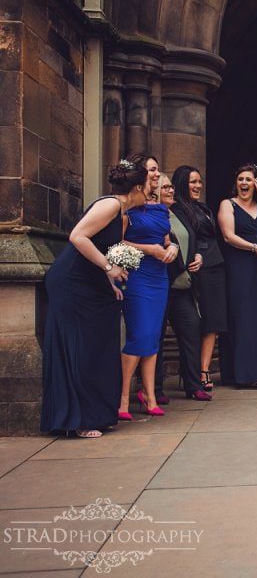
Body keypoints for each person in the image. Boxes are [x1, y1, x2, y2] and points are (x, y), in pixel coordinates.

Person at [40, 160, 146, 438]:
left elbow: (97, 245)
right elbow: (78, 237)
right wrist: (109, 267)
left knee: (96, 343)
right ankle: (78, 419)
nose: (151, 191)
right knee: (80, 347)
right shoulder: (110, 204)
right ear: (137, 187)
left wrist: (107, 282)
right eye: (149, 186)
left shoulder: (121, 212)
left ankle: (95, 413)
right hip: (70, 282)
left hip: (87, 282)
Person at [119, 153, 174, 418]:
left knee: (152, 337)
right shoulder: (126, 207)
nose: (156, 173)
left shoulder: (162, 208)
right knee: (139, 336)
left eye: (157, 169)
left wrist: (171, 247)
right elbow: (116, 242)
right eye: (151, 169)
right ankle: (123, 399)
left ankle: (150, 397)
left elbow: (165, 239)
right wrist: (147, 249)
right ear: (140, 174)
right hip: (138, 276)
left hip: (159, 277)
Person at [218, 163, 257, 386]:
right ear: (236, 183)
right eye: (241, 179)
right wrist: (253, 247)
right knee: (241, 316)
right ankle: (240, 374)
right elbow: (228, 236)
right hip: (239, 264)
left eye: (249, 180)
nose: (244, 183)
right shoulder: (228, 204)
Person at [154, 172, 212, 401]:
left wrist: (198, 254)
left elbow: (193, 237)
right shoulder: (149, 214)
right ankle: (155, 389)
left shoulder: (178, 212)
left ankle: (193, 384)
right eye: (165, 187)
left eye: (171, 187)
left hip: (183, 285)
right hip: (161, 284)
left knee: (191, 330)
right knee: (156, 337)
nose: (171, 191)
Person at [172, 166, 227, 391]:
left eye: (199, 182)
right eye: (192, 182)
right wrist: (197, 257)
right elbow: (184, 238)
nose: (197, 186)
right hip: (198, 269)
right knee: (197, 322)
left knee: (213, 320)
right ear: (182, 184)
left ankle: (203, 370)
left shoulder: (201, 207)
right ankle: (193, 373)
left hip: (215, 266)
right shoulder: (177, 209)